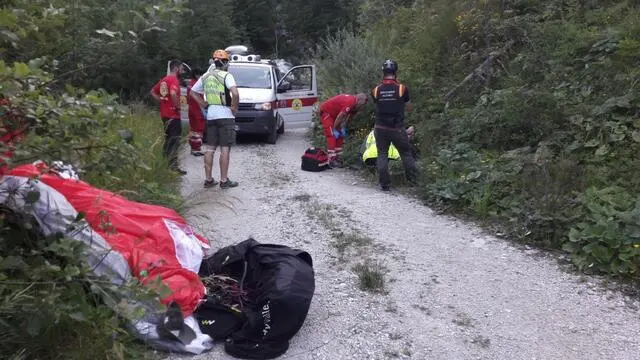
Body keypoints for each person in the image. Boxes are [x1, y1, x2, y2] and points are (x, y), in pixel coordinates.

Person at [189, 49, 239, 189]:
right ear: (225, 62)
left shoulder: (205, 76)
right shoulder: (226, 75)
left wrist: (202, 103)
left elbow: (193, 92)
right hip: (225, 115)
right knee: (224, 149)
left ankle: (209, 179)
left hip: (211, 115)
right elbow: (234, 93)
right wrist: (234, 107)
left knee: (210, 149)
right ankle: (224, 181)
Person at [370, 59, 417, 191]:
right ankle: (413, 182)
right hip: (397, 128)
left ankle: (384, 184)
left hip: (380, 127)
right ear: (395, 72)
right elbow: (408, 107)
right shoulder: (402, 88)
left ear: (383, 73)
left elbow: (377, 105)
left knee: (382, 154)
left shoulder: (376, 90)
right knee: (406, 154)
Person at [150, 59, 187, 175]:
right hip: (173, 115)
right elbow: (172, 93)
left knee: (168, 140)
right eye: (181, 69)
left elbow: (152, 91)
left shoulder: (164, 80)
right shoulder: (174, 80)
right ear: (176, 68)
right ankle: (173, 167)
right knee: (174, 140)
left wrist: (161, 101)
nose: (183, 71)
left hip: (164, 115)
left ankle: (164, 164)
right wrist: (178, 107)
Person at [318, 92, 368, 167]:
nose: (362, 107)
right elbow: (340, 116)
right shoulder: (350, 102)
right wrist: (335, 129)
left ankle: (338, 157)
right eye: (362, 104)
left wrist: (343, 127)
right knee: (331, 134)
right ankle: (332, 159)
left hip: (335, 115)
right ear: (359, 100)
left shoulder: (356, 106)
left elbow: (349, 117)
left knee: (340, 135)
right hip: (327, 113)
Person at [187, 67, 206, 157]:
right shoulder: (197, 85)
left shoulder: (190, 84)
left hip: (191, 109)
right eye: (201, 75)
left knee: (193, 129)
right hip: (197, 109)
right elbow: (201, 98)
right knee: (198, 129)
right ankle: (196, 149)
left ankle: (193, 148)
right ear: (197, 75)